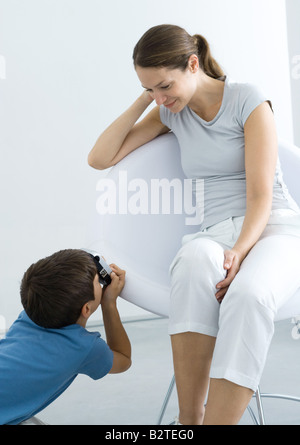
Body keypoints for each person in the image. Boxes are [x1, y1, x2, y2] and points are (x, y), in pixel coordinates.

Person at [88, 24, 300, 425]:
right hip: (214, 231)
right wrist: (147, 99)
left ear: (192, 63)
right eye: (151, 90)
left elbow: (261, 197)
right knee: (191, 262)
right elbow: (100, 157)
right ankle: (190, 419)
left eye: (165, 85)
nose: (161, 98)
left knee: (249, 295)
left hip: (273, 227)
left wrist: (240, 250)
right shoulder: (171, 112)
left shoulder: (247, 100)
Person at [0, 249, 131, 425]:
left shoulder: (30, 314)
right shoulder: (84, 347)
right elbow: (123, 358)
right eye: (96, 281)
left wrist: (87, 265)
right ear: (86, 309)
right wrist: (109, 303)